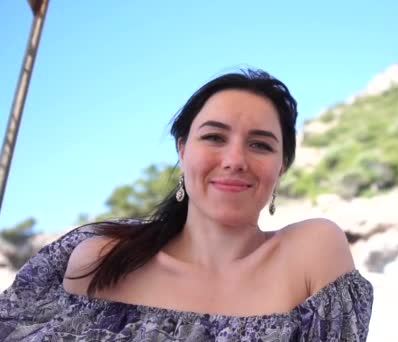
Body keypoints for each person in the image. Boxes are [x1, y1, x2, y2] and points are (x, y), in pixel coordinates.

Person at [0, 69, 374, 341]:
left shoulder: (311, 253)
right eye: (214, 137)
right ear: (182, 150)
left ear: (281, 166)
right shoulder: (100, 259)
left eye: (260, 144)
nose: (235, 159)